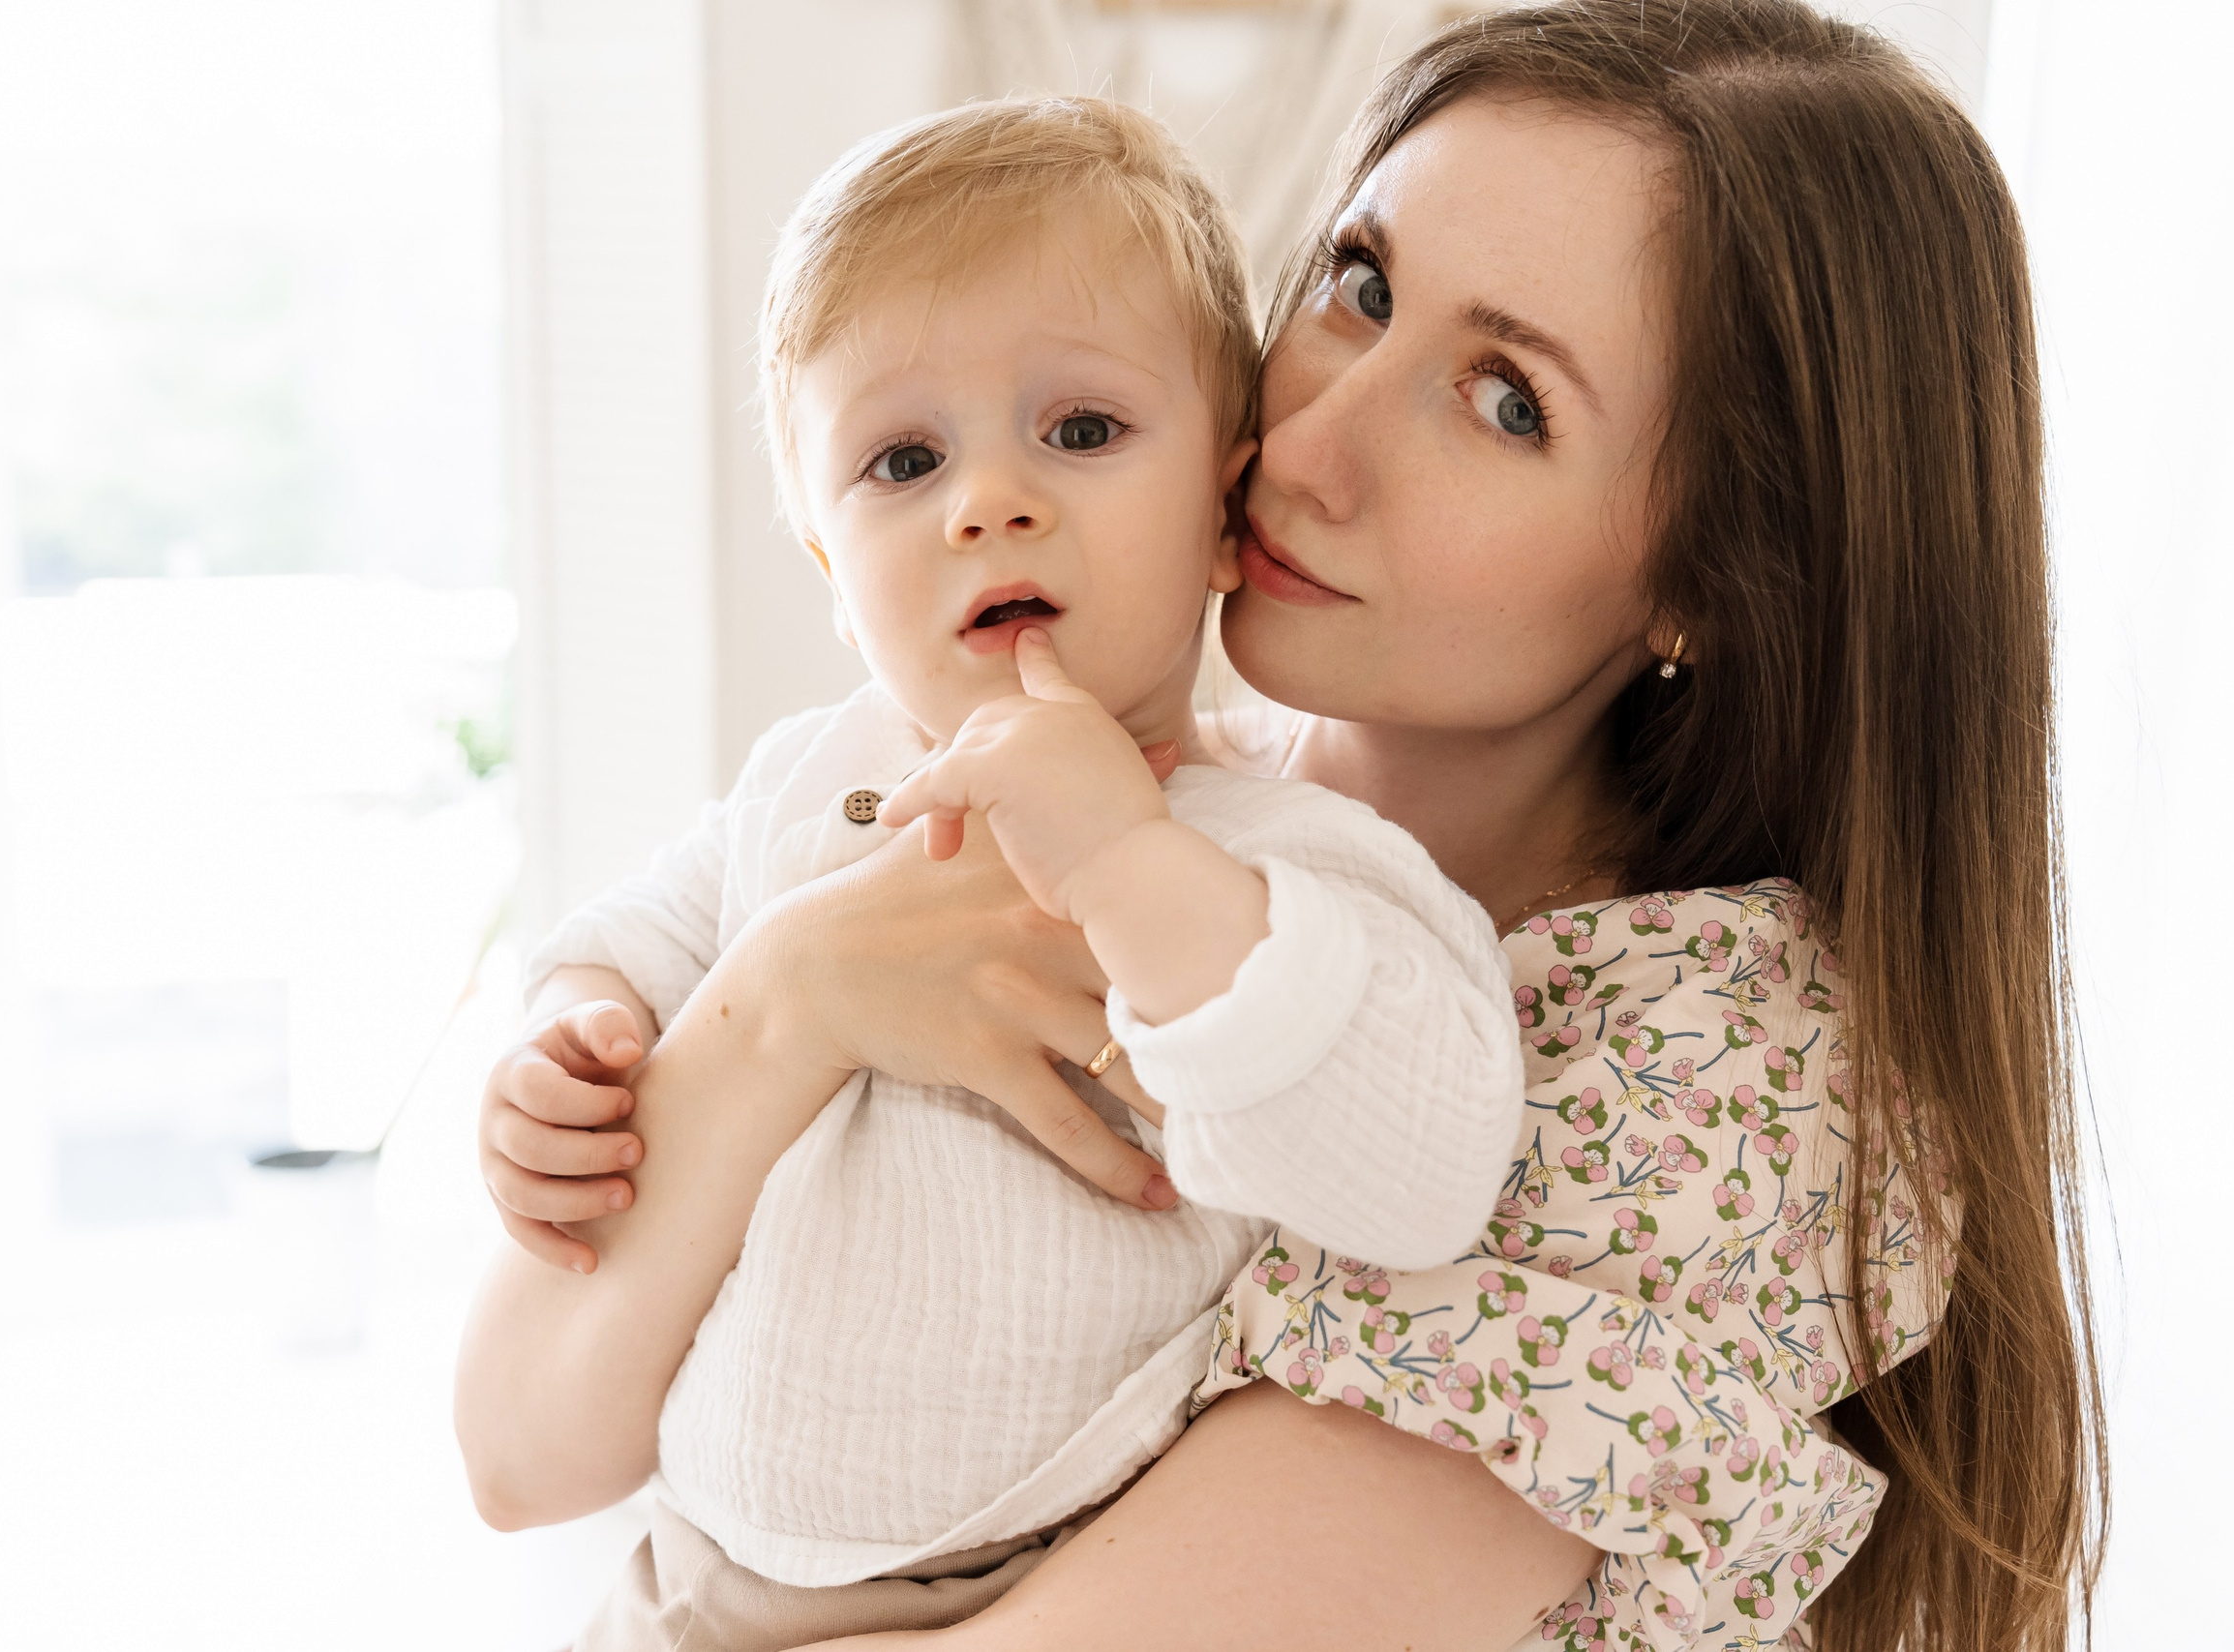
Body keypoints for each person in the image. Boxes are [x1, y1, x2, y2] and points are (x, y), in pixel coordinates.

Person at [461, 4, 2107, 1649]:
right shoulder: (1101, 778)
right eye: (1361, 285)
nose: (1305, 444)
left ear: (1713, 579)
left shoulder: (1722, 1089)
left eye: (1506, 399)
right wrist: (784, 995)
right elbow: (518, 1446)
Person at [479, 95, 1525, 1614]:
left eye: (1083, 430)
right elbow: (640, 939)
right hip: (694, 1578)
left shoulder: (1287, 858)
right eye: (902, 462)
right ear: (836, 576)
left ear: (1225, 511)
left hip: (1034, 1583)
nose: (989, 502)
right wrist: (563, 1049)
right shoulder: (813, 784)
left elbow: (1431, 1165)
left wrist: (1122, 854)